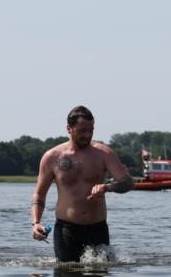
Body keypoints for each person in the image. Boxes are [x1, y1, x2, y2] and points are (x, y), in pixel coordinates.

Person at [30, 106, 134, 262]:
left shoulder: (104, 153)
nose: (87, 135)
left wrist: (108, 187)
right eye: (82, 131)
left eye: (91, 130)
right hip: (67, 230)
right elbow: (39, 193)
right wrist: (36, 223)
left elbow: (128, 183)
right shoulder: (52, 157)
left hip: (98, 228)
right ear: (69, 129)